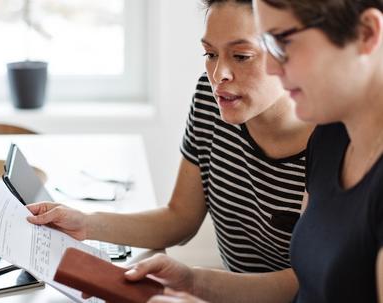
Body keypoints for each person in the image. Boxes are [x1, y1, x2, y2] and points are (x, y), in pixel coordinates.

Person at [27, 0, 313, 276]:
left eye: (241, 56)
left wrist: (193, 283)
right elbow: (180, 218)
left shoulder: (331, 139)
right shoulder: (211, 99)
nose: (218, 74)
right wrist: (86, 223)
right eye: (210, 54)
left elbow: (303, 284)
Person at [127, 0, 383, 302]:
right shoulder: (329, 136)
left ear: (366, 33)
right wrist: (192, 282)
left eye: (283, 41)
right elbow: (303, 284)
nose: (273, 65)